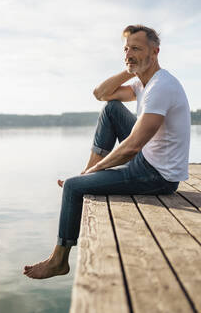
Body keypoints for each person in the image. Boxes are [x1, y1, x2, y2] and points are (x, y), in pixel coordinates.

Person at [23, 24, 190, 279]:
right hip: (149, 159)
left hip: (158, 175)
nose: (129, 53)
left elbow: (133, 146)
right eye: (126, 48)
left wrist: (94, 171)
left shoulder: (161, 87)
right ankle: (86, 173)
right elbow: (100, 94)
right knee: (111, 108)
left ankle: (59, 260)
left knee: (73, 187)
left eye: (136, 48)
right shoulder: (143, 83)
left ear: (155, 52)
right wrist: (129, 68)